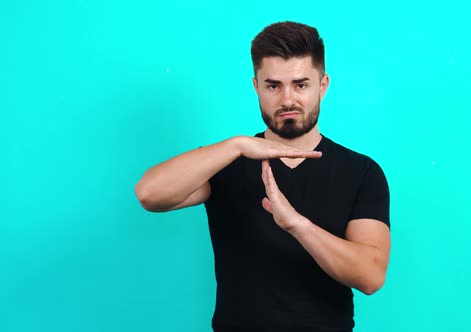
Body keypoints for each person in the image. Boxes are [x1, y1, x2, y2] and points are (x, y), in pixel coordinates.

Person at [135, 21, 391, 332]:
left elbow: (370, 276)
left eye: (300, 84)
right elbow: (149, 194)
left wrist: (297, 225)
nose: (287, 100)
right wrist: (239, 145)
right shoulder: (225, 162)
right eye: (273, 85)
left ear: (322, 86)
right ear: (256, 87)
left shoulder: (361, 172)